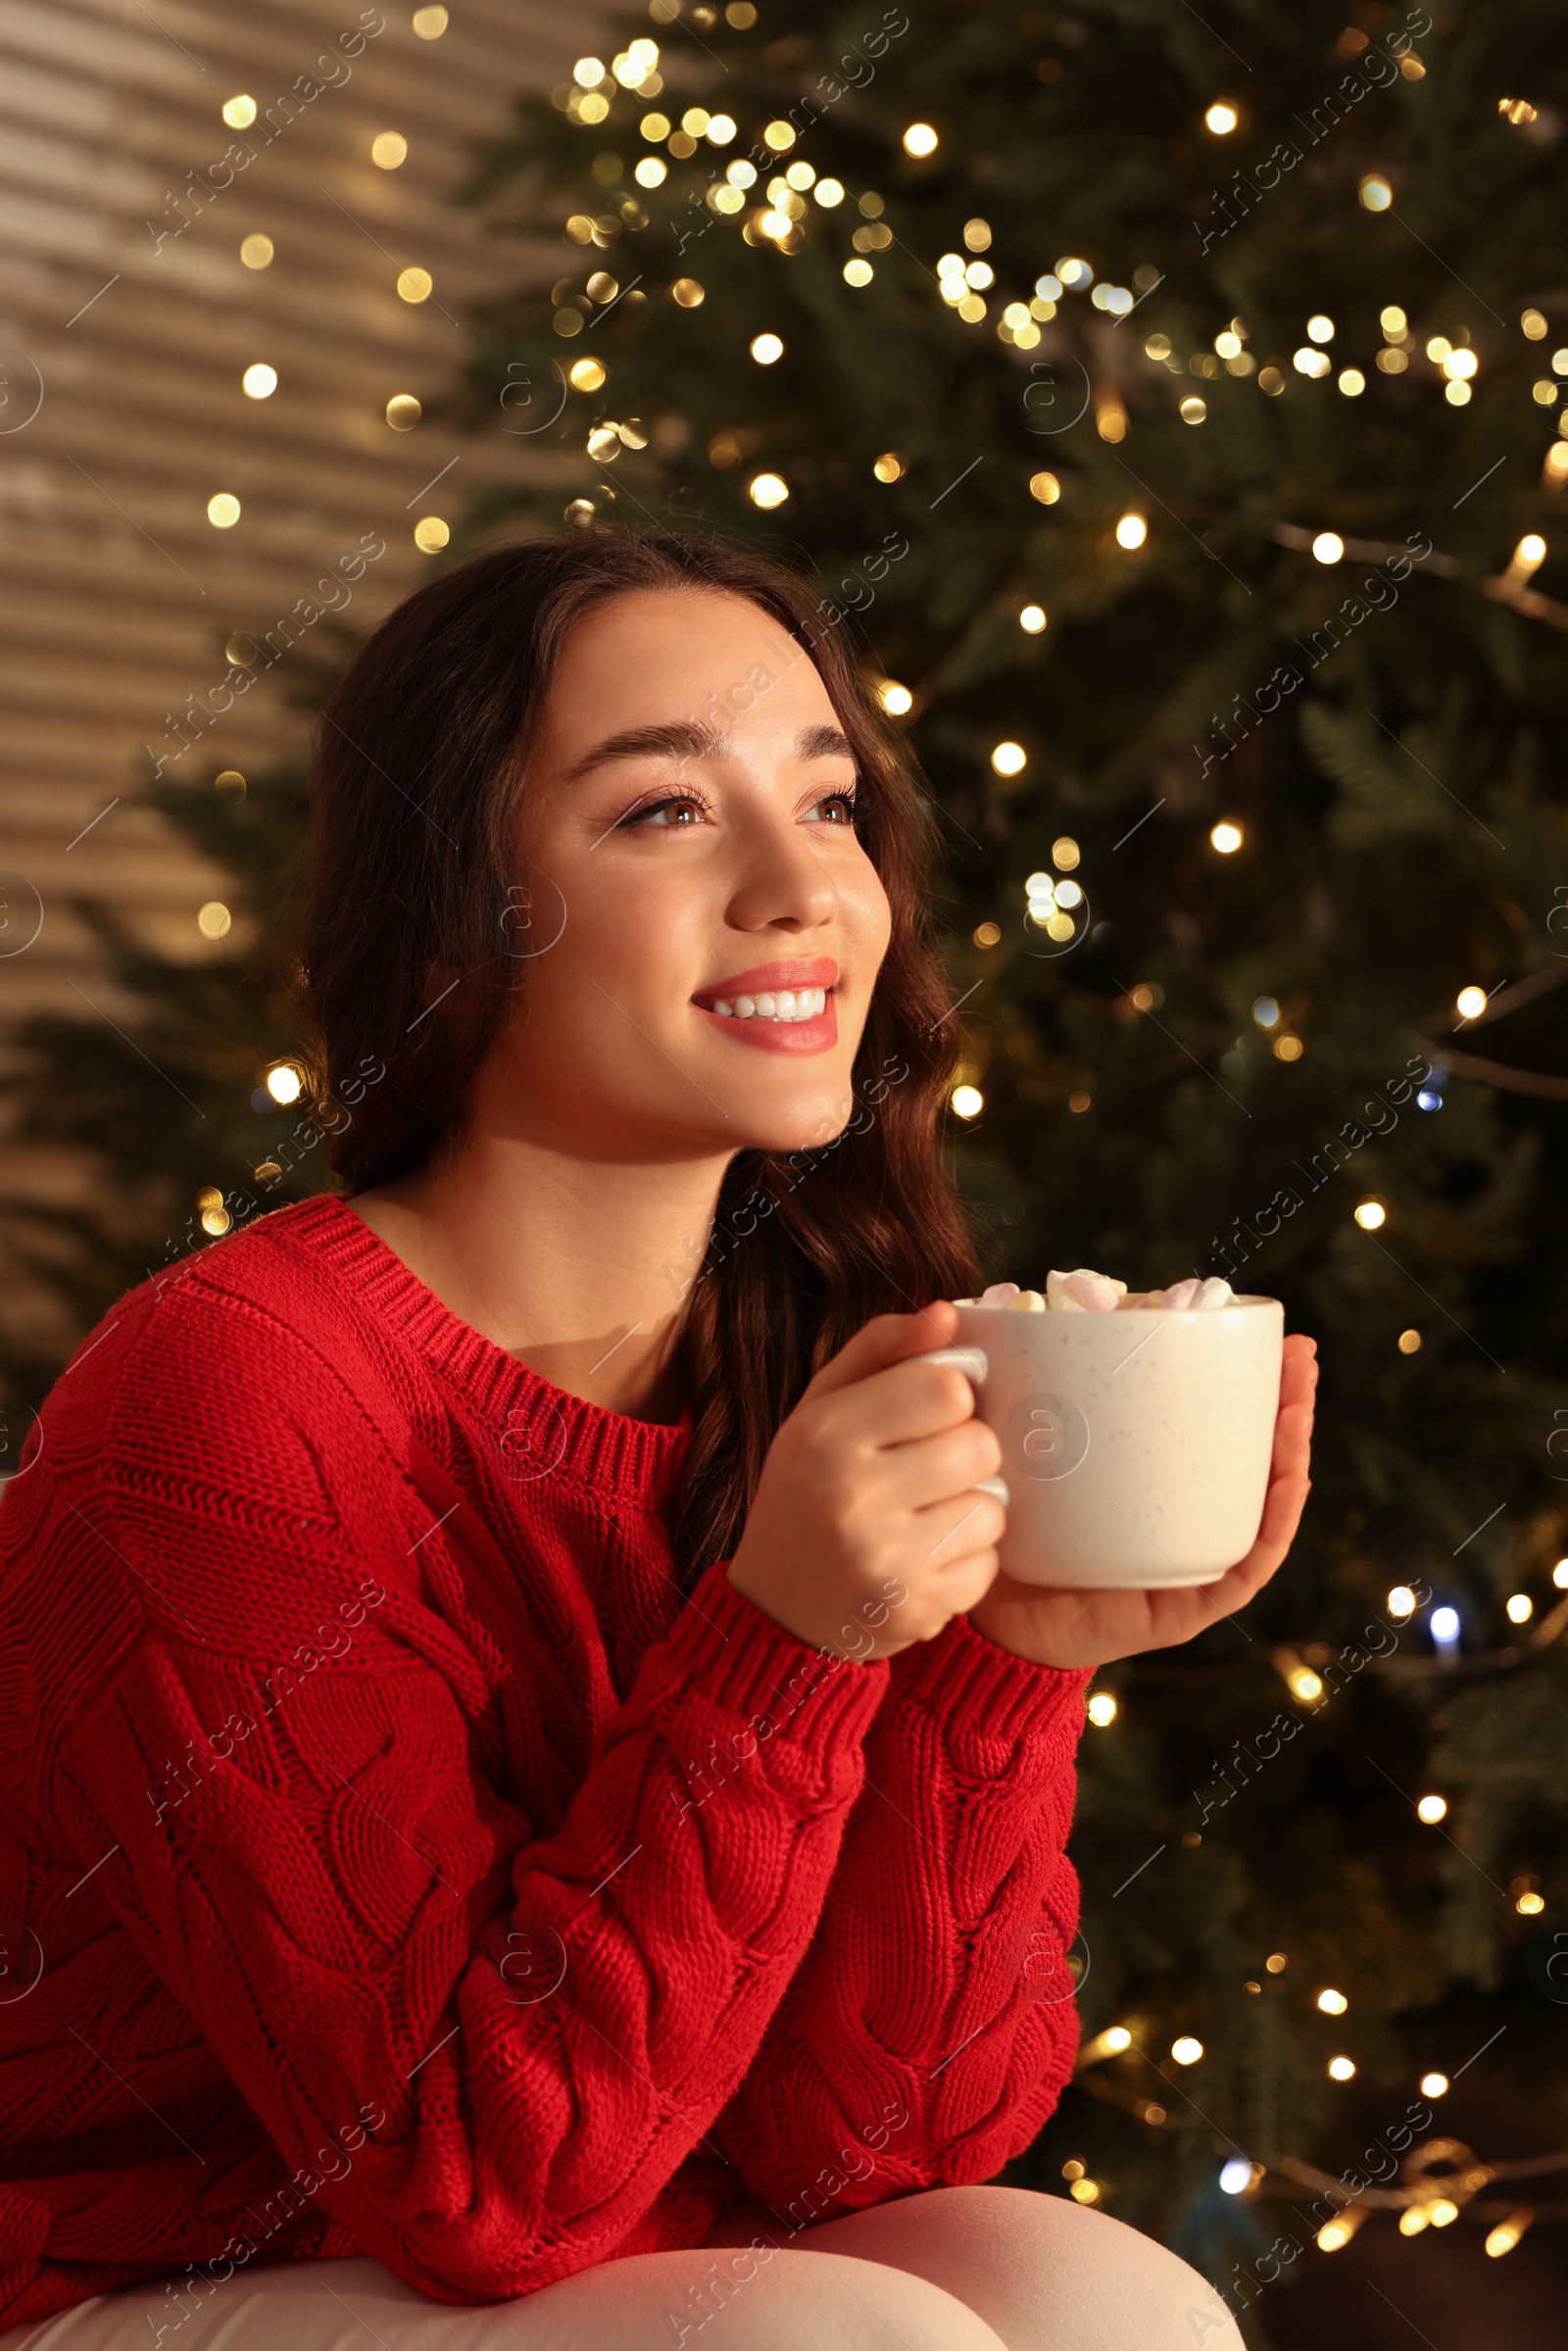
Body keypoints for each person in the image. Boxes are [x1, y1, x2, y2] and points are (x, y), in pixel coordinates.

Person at [0, 533, 1316, 2350]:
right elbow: (477, 2192)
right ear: (460, 906)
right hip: (118, 2278)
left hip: (547, 2246)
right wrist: (782, 1652)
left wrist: (1000, 1676)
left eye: (834, 802)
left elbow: (875, 2145)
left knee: (1108, 2298)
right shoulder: (226, 1403)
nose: (803, 889)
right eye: (661, 814)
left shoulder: (821, 1362)